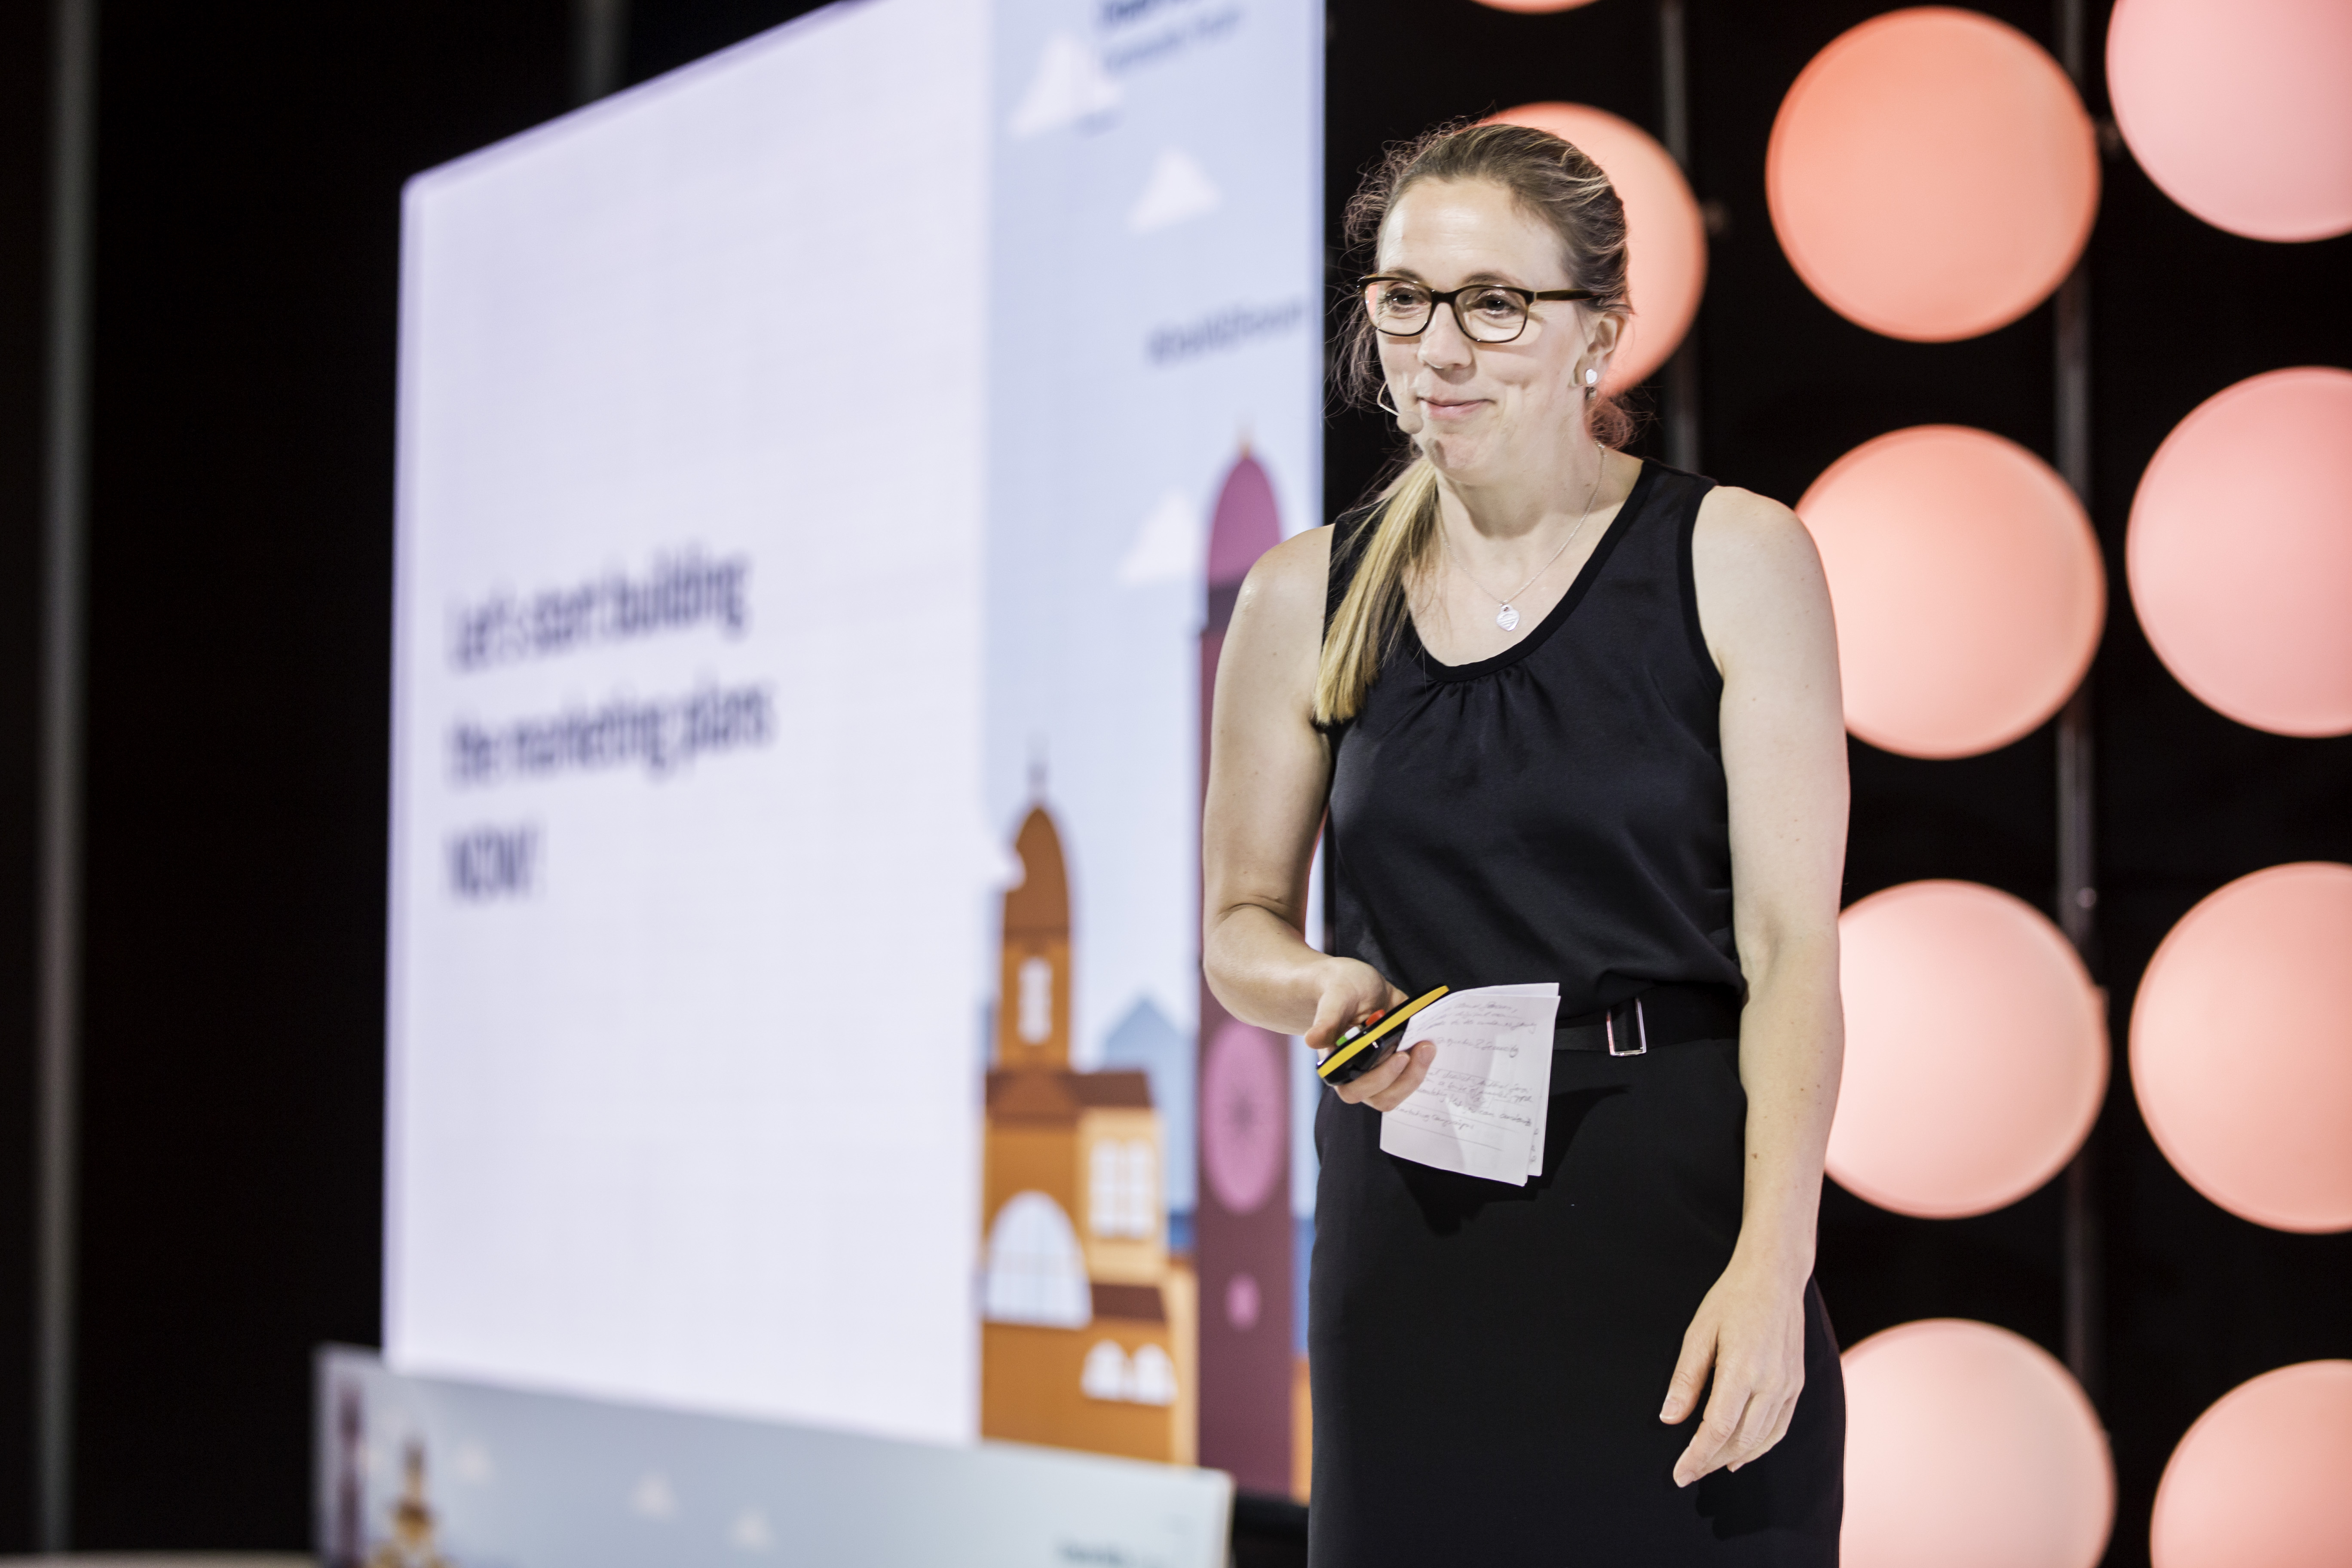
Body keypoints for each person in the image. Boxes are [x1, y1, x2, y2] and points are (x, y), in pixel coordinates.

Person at [1201, 122, 1848, 1563]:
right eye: (1404, 300)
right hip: (1411, 1227)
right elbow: (1239, 927)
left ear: (1597, 333)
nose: (1440, 348)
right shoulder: (1304, 594)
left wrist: (1774, 1264)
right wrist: (1320, 992)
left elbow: (1794, 951)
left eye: (1495, 303)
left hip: (1682, 1211)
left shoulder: (1736, 556)